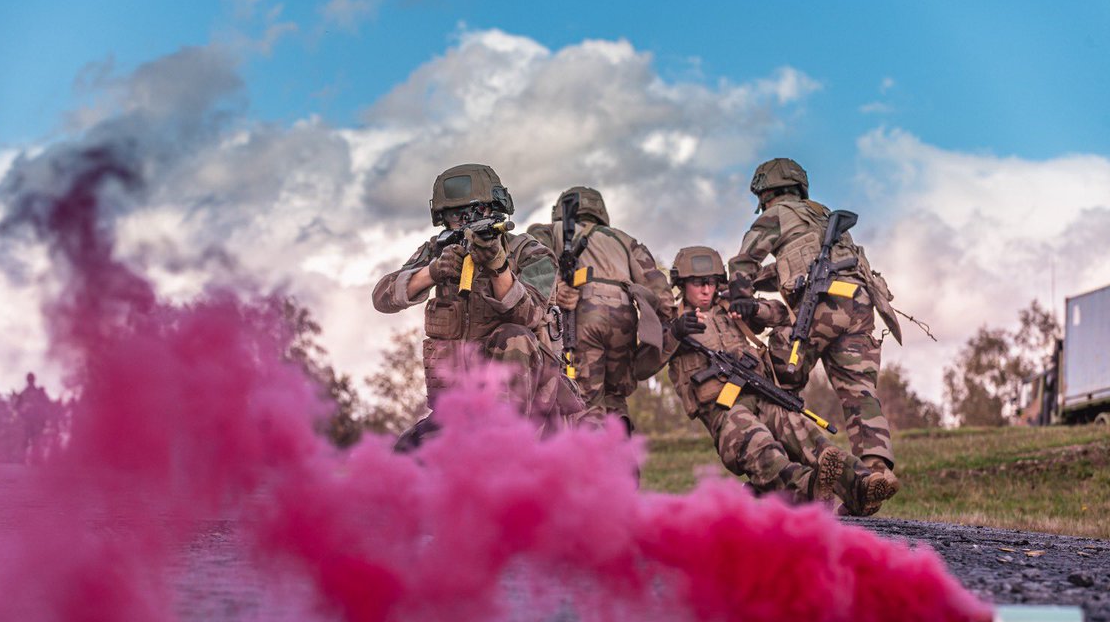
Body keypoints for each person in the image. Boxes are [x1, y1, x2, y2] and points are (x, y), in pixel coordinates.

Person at [665, 246, 895, 514]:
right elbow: (644, 360)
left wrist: (752, 308)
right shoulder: (671, 318)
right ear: (681, 284)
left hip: (761, 392)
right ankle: (808, 488)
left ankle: (861, 485)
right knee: (759, 445)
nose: (706, 290)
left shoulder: (728, 307)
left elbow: (783, 315)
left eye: (712, 282)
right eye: (697, 283)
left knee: (806, 434)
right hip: (723, 409)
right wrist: (674, 333)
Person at [372, 164, 579, 447]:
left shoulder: (530, 253)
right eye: (456, 215)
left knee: (512, 336)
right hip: (461, 408)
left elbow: (528, 316)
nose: (466, 221)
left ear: (494, 209)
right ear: (443, 219)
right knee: (402, 459)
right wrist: (433, 271)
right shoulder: (438, 251)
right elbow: (382, 297)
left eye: (478, 212)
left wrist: (497, 265)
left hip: (532, 410)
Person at [726, 158, 901, 492]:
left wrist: (738, 294)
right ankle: (876, 471)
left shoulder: (776, 215)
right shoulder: (821, 216)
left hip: (820, 306)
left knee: (771, 386)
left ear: (766, 193)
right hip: (859, 306)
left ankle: (791, 472)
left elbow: (745, 261)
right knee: (859, 392)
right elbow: (786, 269)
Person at [530, 186, 675, 432]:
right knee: (616, 399)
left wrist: (556, 290)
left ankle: (595, 465)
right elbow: (662, 295)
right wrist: (664, 328)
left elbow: (531, 265)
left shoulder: (549, 231)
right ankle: (624, 462)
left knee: (586, 399)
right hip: (625, 319)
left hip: (584, 316)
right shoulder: (624, 239)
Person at [14, 372, 52, 463]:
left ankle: (35, 460)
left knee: (36, 441)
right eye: (29, 379)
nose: (30, 381)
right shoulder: (24, 393)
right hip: (27, 420)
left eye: (31, 379)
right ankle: (23, 460)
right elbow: (17, 406)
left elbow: (47, 404)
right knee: (26, 441)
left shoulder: (39, 392)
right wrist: (23, 410)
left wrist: (42, 414)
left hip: (36, 420)